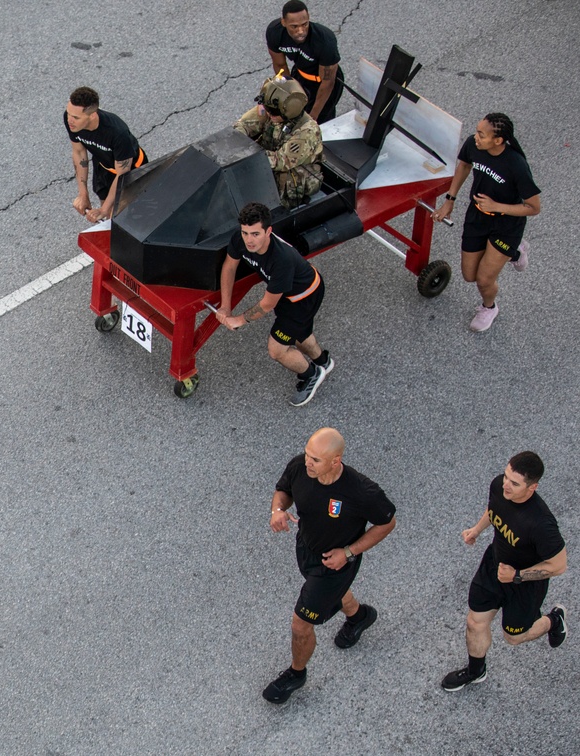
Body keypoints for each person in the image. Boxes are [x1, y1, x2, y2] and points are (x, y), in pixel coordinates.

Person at [263, 428, 397, 704]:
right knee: (331, 594)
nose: (307, 462)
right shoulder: (301, 465)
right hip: (307, 548)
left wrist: (348, 552)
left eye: (316, 459)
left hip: (336, 565)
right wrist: (277, 510)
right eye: (308, 455)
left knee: (300, 623)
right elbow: (284, 490)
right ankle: (359, 616)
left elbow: (387, 523)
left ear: (335, 461)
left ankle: (296, 673)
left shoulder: (361, 491)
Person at [441, 452, 567, 692]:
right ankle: (476, 671)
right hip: (494, 565)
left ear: (532, 488)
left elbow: (559, 566)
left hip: (524, 585)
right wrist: (476, 530)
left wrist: (517, 576)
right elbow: (494, 510)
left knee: (513, 637)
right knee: (475, 622)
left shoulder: (542, 525)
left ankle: (553, 620)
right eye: (506, 476)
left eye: (515, 483)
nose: (506, 485)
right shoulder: (499, 487)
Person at [216, 202, 333, 407]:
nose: (249, 240)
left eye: (255, 234)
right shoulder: (239, 239)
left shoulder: (281, 260)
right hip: (288, 294)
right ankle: (323, 361)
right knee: (299, 334)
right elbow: (229, 268)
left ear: (268, 231)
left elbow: (267, 305)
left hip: (304, 297)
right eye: (245, 233)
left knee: (276, 349)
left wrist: (239, 320)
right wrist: (225, 306)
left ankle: (312, 374)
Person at [432, 113, 541, 332]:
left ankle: (489, 308)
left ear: (498, 140)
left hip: (507, 225)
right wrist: (449, 201)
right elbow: (464, 165)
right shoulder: (474, 145)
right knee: (469, 275)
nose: (475, 137)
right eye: (477, 131)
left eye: (482, 134)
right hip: (477, 218)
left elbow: (534, 207)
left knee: (483, 280)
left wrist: (497, 207)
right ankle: (515, 252)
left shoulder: (516, 165)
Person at [233, 76, 323, 208]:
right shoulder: (273, 110)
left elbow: (280, 161)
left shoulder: (306, 132)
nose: (268, 114)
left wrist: (246, 153)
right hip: (265, 162)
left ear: (289, 110)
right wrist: (238, 142)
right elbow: (243, 125)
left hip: (288, 176)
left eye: (273, 112)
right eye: (267, 109)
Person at [64, 86, 147, 223]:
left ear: (92, 115)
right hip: (103, 165)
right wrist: (83, 194)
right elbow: (79, 153)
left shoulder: (117, 133)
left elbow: (122, 174)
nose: (69, 120)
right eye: (68, 114)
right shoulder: (73, 123)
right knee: (108, 214)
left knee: (122, 213)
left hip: (130, 170)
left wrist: (104, 210)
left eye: (75, 117)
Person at [266, 1, 345, 124]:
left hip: (323, 83)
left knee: (320, 123)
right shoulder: (275, 32)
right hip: (300, 75)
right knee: (291, 115)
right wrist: (289, 92)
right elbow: (280, 65)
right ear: (284, 22)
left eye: (304, 24)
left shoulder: (324, 40)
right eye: (294, 26)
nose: (301, 31)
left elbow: (327, 82)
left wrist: (313, 116)